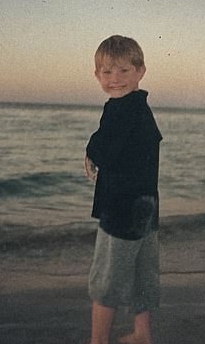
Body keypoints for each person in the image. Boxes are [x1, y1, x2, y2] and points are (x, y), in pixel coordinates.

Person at [85, 35, 163, 344]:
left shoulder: (120, 110)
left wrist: (91, 149)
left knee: (107, 280)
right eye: (107, 72)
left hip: (123, 207)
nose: (115, 79)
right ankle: (143, 334)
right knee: (142, 275)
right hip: (147, 205)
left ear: (141, 71)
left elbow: (109, 149)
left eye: (123, 71)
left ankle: (98, 340)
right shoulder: (140, 109)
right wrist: (96, 148)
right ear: (97, 75)